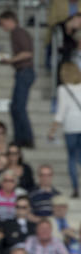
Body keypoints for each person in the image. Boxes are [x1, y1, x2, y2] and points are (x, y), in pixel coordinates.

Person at [0, 11, 35, 148]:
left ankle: (25, 138)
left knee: (19, 107)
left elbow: (27, 53)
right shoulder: (16, 33)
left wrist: (11, 60)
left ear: (9, 20)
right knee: (15, 107)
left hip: (24, 71)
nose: (3, 27)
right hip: (22, 72)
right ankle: (21, 137)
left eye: (3, 23)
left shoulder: (18, 32)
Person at [50, 62, 81, 198]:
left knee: (72, 158)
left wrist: (53, 129)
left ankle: (75, 188)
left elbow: (61, 112)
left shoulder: (63, 89)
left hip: (70, 125)